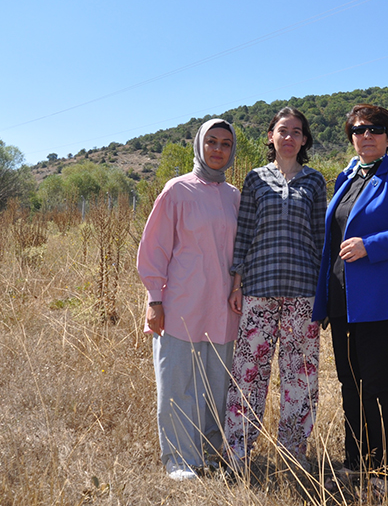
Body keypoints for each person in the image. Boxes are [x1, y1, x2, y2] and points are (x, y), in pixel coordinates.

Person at [312, 103, 388, 498]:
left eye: (376, 129)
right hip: (344, 300)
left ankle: (386, 474)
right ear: (351, 136)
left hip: (387, 302)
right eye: (359, 129)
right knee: (350, 383)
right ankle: (356, 463)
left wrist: (371, 245)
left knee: (379, 386)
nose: (367, 135)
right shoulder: (346, 178)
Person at [136, 118, 241, 482]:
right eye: (211, 141)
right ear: (198, 145)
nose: (218, 149)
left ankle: (211, 453)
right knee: (176, 383)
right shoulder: (177, 190)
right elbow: (154, 248)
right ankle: (179, 459)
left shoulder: (234, 196)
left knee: (216, 387)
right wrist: (154, 299)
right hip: (180, 304)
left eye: (225, 143)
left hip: (222, 308)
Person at [223, 107, 327, 472]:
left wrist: (324, 292)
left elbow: (321, 239)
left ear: (304, 140)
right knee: (248, 374)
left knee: (300, 376)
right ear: (271, 136)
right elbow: (244, 234)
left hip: (303, 293)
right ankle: (237, 453)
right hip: (258, 290)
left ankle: (293, 455)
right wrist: (237, 283)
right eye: (283, 130)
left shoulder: (314, 181)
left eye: (297, 132)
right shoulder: (255, 179)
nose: (289, 137)